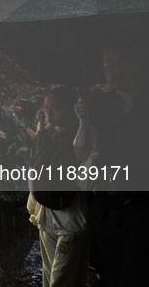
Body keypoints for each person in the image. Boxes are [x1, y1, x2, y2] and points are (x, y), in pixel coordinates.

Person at [74, 38, 149, 286]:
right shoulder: (100, 105)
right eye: (109, 64)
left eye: (124, 62)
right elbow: (82, 154)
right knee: (110, 273)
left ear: (141, 64)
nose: (116, 69)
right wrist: (84, 120)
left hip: (142, 209)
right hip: (105, 207)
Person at [27, 87, 89, 287]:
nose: (49, 113)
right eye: (46, 108)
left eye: (57, 108)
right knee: (50, 273)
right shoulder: (47, 136)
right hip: (47, 216)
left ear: (72, 110)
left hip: (70, 219)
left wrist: (84, 121)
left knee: (62, 278)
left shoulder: (81, 137)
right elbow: (33, 167)